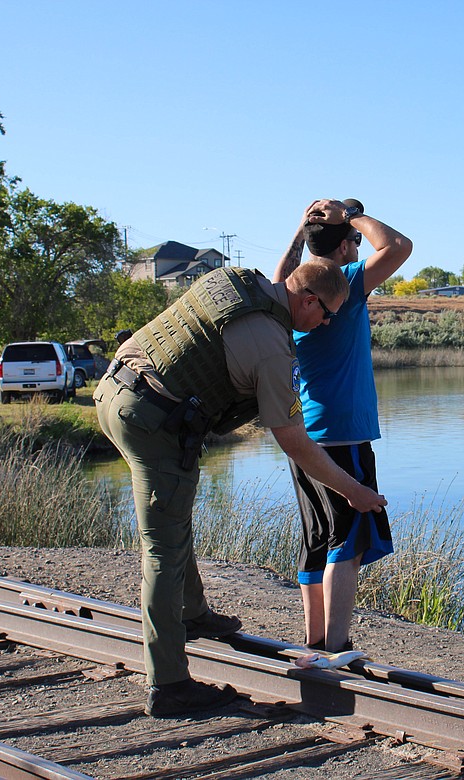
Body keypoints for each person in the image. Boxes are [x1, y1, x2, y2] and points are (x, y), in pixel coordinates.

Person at [94, 261, 387, 718]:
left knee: (173, 521)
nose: (327, 323)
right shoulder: (273, 349)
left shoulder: (240, 281)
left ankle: (192, 614)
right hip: (152, 420)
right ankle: (168, 684)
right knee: (162, 552)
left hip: (118, 390)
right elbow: (293, 440)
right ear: (308, 299)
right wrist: (355, 491)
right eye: (328, 313)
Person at [272, 198, 412, 654]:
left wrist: (303, 229)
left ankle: (313, 641)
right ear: (344, 246)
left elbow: (280, 274)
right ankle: (336, 646)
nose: (358, 246)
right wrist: (351, 218)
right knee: (347, 543)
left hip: (305, 435)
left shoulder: (291, 293)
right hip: (344, 435)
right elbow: (397, 246)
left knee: (317, 540)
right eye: (352, 242)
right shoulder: (344, 286)